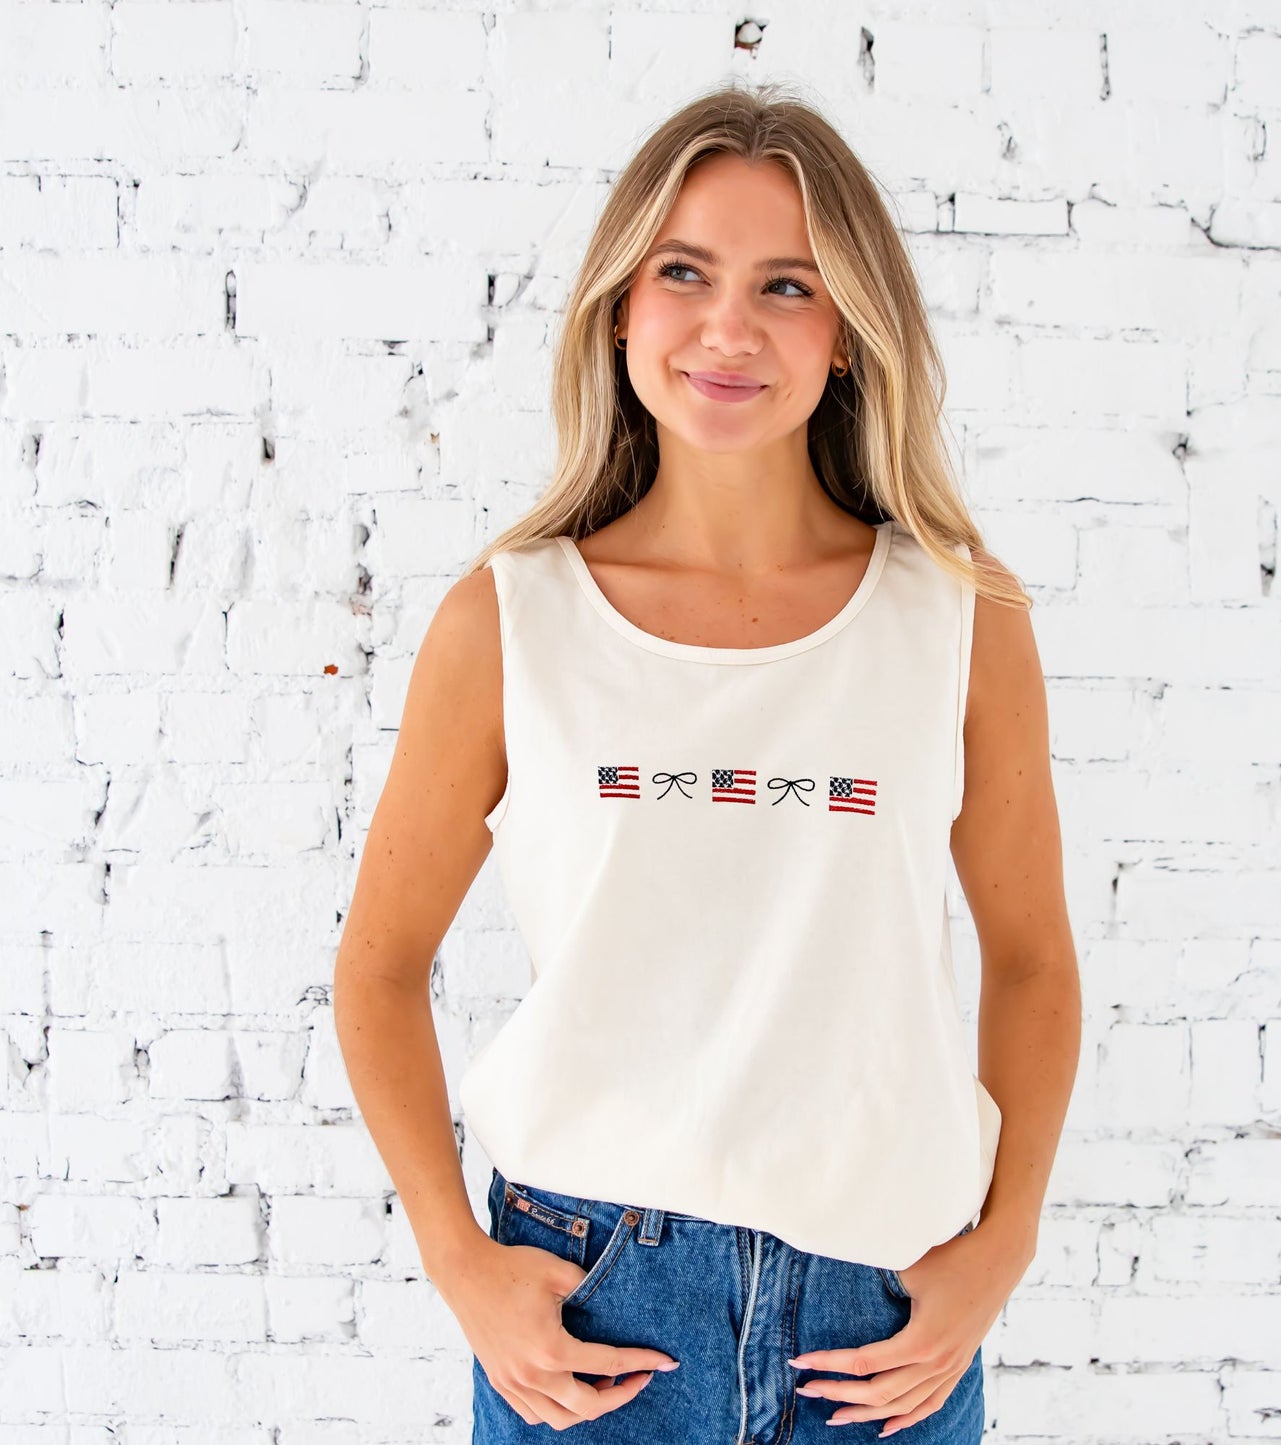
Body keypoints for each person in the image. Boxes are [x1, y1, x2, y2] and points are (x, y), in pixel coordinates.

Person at [334, 80, 1080, 1444]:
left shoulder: (959, 617)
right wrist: (455, 1258)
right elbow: (378, 965)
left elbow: (1029, 957)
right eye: (684, 272)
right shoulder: (508, 619)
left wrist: (1005, 1240)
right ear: (621, 305)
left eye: (788, 286)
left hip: (882, 1322)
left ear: (851, 332)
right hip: (590, 1316)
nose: (728, 327)